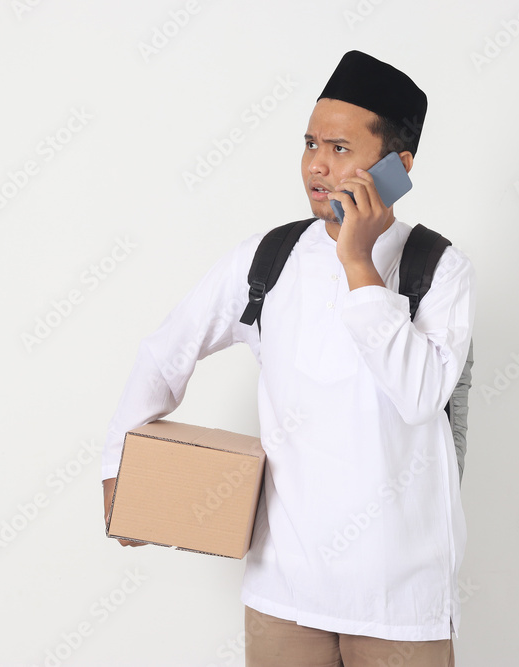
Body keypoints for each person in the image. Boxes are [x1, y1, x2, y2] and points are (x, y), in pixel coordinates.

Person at [101, 50, 475, 666]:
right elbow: (165, 352)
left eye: (339, 148)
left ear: (397, 167)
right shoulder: (267, 259)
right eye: (309, 144)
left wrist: (357, 263)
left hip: (399, 593)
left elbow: (418, 396)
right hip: (283, 584)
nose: (316, 166)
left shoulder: (437, 268)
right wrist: (122, 466)